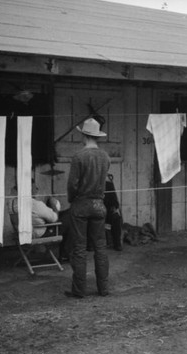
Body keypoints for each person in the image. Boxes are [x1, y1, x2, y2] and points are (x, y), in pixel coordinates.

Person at [64, 117, 111, 299]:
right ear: (97, 136)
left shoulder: (79, 157)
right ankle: (103, 288)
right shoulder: (105, 157)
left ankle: (79, 290)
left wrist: (71, 200)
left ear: (84, 135)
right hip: (99, 205)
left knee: (79, 248)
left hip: (81, 205)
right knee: (101, 247)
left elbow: (72, 185)